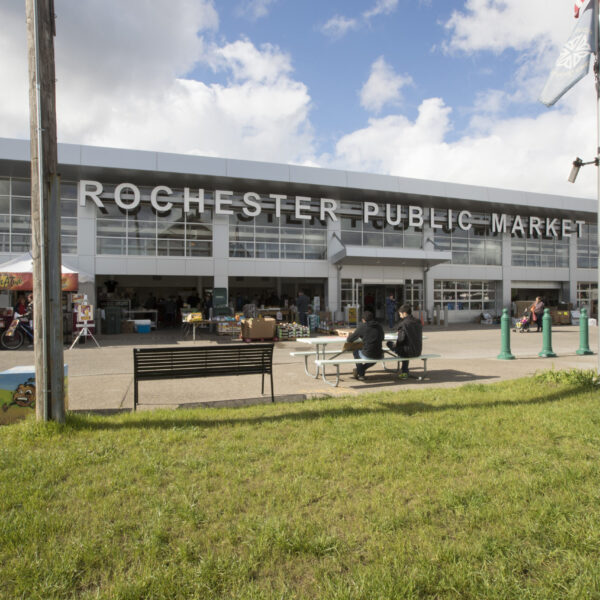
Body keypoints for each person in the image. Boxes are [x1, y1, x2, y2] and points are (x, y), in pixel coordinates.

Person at [346, 310, 384, 381]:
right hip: (379, 353)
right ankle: (360, 371)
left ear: (363, 320)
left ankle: (361, 374)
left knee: (355, 350)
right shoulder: (379, 326)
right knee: (373, 355)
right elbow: (382, 338)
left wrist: (353, 335)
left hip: (368, 353)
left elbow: (349, 340)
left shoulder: (362, 326)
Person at [387, 303, 423, 379]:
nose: (400, 316)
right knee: (406, 347)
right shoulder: (418, 321)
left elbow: (400, 340)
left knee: (389, 343)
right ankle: (404, 371)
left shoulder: (403, 324)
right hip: (417, 350)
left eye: (400, 314)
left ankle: (405, 372)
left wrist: (395, 346)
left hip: (407, 351)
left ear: (404, 313)